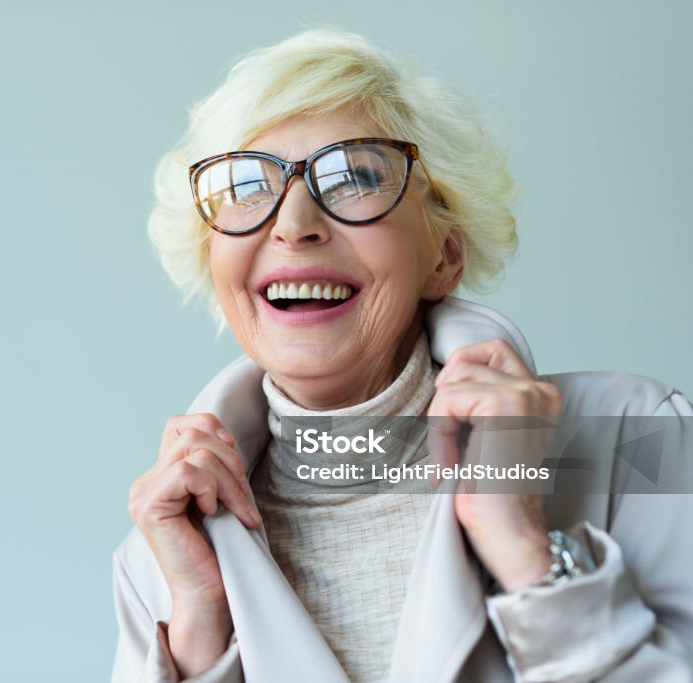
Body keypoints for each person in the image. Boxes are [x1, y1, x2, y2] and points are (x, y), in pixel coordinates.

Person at [111, 28, 693, 683]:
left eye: (354, 174)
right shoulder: (160, 554)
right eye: (247, 184)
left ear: (444, 254)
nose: (293, 221)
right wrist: (199, 632)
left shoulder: (644, 435)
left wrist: (526, 548)